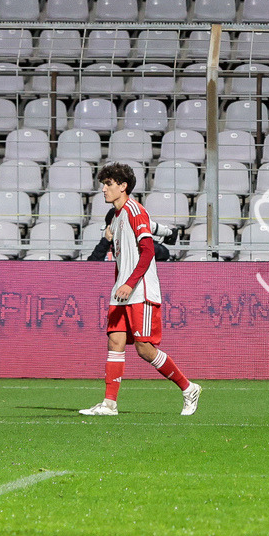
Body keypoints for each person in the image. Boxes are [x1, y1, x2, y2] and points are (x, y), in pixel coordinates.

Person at [80, 163, 201, 417]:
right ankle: (109, 404)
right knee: (115, 341)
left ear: (123, 187)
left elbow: (147, 251)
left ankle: (189, 388)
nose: (103, 189)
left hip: (140, 290)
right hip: (122, 291)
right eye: (103, 184)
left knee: (144, 348)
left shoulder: (135, 211)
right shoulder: (116, 216)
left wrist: (129, 283)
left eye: (109, 184)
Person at [87, 208, 179, 262]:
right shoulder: (106, 246)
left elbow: (163, 253)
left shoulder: (138, 241)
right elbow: (91, 266)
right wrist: (105, 241)